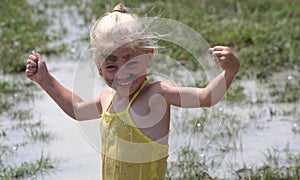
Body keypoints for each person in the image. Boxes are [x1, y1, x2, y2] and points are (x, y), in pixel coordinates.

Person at [25, 4, 240, 180]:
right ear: (99, 69)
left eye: (131, 63)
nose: (121, 74)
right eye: (111, 66)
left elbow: (205, 98)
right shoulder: (107, 99)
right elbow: (78, 109)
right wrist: (46, 80)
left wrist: (229, 71)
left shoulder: (157, 95)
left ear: (148, 57)